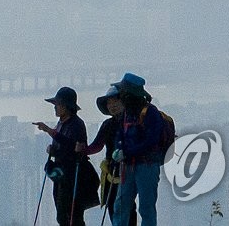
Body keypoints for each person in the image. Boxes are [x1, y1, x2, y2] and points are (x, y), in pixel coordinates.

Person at [33, 86, 98, 226]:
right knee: (61, 213)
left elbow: (71, 146)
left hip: (73, 174)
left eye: (58, 104)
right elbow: (62, 146)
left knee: (72, 213)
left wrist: (49, 131)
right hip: (61, 174)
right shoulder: (61, 123)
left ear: (67, 106)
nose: (55, 108)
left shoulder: (76, 124)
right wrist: (53, 150)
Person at [109, 73, 166, 226]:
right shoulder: (127, 113)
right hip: (128, 166)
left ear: (129, 93)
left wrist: (126, 152)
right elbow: (120, 133)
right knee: (120, 205)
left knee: (146, 208)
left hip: (147, 166)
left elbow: (151, 141)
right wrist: (118, 148)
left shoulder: (150, 113)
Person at [79, 86, 136, 226]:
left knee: (127, 206)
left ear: (123, 102)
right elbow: (97, 145)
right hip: (111, 171)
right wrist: (83, 150)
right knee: (112, 205)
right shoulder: (108, 124)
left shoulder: (132, 122)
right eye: (109, 103)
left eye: (115, 102)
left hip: (128, 170)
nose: (112, 106)